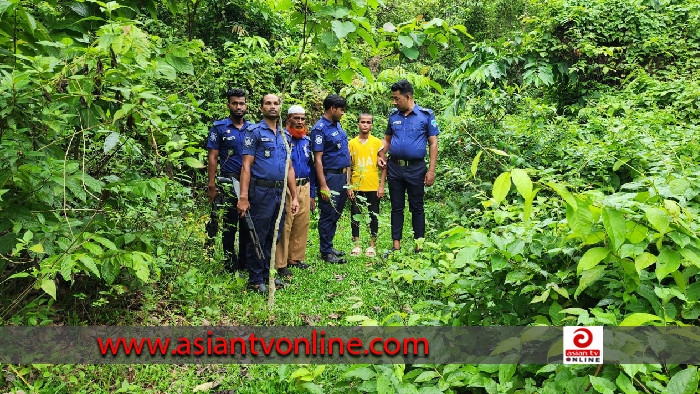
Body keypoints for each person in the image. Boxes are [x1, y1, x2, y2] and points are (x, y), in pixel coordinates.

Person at [237, 94, 300, 294]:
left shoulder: (285, 135)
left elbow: (290, 169)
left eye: (276, 103)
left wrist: (295, 196)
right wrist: (244, 197)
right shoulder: (254, 132)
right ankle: (255, 279)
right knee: (258, 234)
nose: (273, 107)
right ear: (261, 108)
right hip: (260, 191)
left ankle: (266, 274)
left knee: (275, 234)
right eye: (268, 103)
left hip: (279, 193)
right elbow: (246, 166)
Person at [377, 79, 439, 255]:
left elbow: (433, 144)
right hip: (395, 168)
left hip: (416, 169)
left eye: (397, 99)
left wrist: (431, 170)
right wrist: (380, 155)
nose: (394, 102)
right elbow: (387, 140)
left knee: (417, 207)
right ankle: (396, 245)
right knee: (396, 207)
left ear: (407, 96)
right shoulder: (393, 116)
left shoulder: (426, 116)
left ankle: (419, 246)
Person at [206, 88, 250, 276]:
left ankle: (244, 261)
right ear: (228, 105)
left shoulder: (253, 128)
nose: (238, 107)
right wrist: (211, 183)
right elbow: (213, 157)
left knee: (247, 222)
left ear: (246, 105)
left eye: (241, 103)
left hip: (249, 180)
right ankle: (229, 262)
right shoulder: (219, 128)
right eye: (235, 103)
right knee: (230, 222)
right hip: (228, 178)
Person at [275, 105, 315, 278]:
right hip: (286, 187)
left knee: (302, 222)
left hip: (304, 185)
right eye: (296, 118)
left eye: (302, 119)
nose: (299, 122)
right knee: (286, 224)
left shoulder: (307, 141)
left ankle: (295, 258)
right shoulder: (281, 138)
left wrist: (312, 193)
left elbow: (311, 167)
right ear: (288, 118)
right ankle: (281, 263)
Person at [311, 95, 351, 264]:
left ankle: (329, 244)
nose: (343, 113)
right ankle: (326, 251)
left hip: (342, 176)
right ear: (332, 109)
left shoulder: (337, 124)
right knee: (328, 213)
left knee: (336, 212)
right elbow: (317, 160)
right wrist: (323, 185)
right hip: (330, 176)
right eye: (341, 110)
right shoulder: (319, 129)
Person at [348, 113, 385, 258]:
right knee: (355, 215)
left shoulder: (377, 143)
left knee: (373, 215)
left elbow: (384, 165)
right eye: (362, 122)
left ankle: (372, 245)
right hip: (357, 185)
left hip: (372, 185)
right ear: (358, 124)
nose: (365, 124)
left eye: (368, 122)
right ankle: (356, 245)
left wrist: (381, 186)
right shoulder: (351, 143)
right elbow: (348, 166)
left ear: (372, 125)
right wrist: (349, 185)